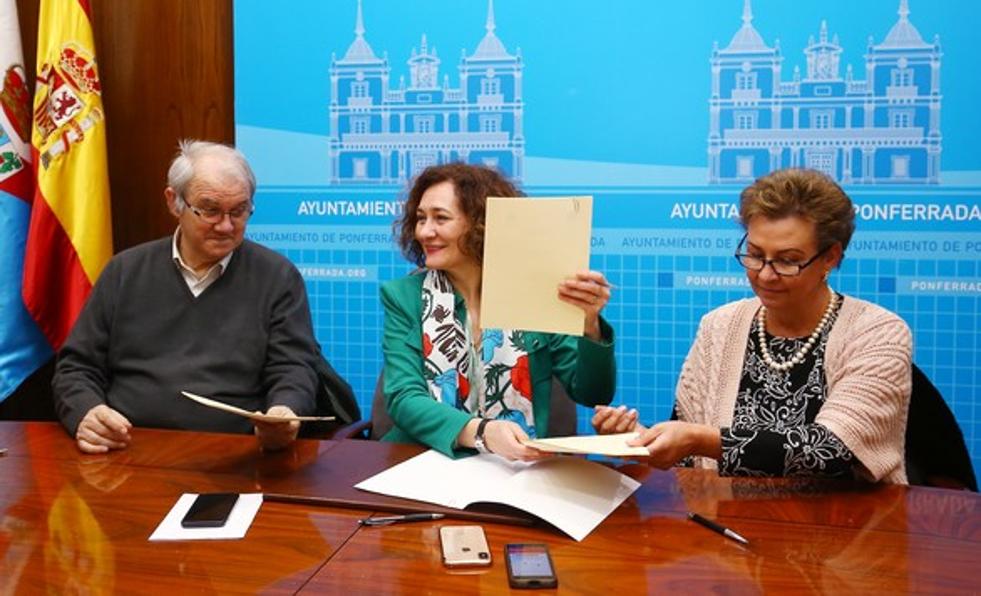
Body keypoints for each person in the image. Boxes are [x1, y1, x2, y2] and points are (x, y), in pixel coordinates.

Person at [594, 168, 911, 483]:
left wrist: (697, 439)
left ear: (830, 257)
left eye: (787, 260)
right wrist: (643, 441)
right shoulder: (719, 326)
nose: (765, 274)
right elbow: (691, 460)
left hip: (846, 527)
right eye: (756, 254)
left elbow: (830, 450)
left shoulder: (877, 332)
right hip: (726, 522)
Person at [53, 140, 325, 453]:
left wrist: (284, 412)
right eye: (210, 210)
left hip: (233, 455)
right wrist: (86, 413)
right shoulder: (125, 271)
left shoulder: (276, 276)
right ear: (174, 202)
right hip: (128, 450)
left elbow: (294, 367)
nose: (226, 226)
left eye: (239, 211)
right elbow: (76, 367)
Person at [381, 163, 617, 460]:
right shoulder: (403, 297)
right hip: (421, 460)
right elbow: (404, 399)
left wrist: (589, 323)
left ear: (482, 224)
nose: (425, 232)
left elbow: (593, 393)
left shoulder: (537, 293)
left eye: (440, 218)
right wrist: (481, 431)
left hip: (518, 468)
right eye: (420, 219)